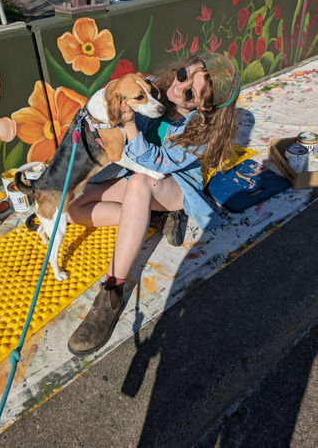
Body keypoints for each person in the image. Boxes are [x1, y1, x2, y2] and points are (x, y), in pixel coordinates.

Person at [67, 52, 241, 356]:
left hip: (172, 188)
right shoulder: (152, 90)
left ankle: (112, 290)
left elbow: (156, 163)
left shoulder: (200, 129)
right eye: (184, 75)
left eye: (190, 93)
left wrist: (131, 125)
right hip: (140, 180)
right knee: (74, 206)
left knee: (139, 182)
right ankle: (140, 218)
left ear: (205, 106)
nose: (178, 87)